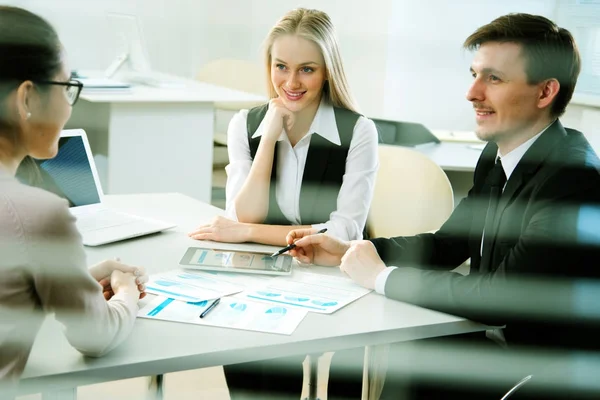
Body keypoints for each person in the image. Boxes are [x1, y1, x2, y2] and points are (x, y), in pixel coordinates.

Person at [288, 13, 600, 399]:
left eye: (494, 78)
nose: (472, 93)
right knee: (362, 346)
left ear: (545, 92)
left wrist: (382, 277)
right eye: (474, 74)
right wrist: (350, 252)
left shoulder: (573, 178)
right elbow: (447, 243)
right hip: (487, 341)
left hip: (539, 371)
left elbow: (501, 297)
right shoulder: (498, 155)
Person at [0, 6, 148, 398]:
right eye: (67, 88)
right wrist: (128, 291)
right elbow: (96, 336)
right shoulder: (38, 213)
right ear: (27, 97)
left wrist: (80, 274)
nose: (69, 104)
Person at [188, 7, 379, 246]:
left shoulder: (358, 131)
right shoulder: (244, 125)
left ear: (328, 71)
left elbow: (344, 232)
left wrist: (250, 232)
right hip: (263, 261)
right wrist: (268, 139)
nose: (291, 82)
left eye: (307, 69)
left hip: (332, 270)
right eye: (281, 66)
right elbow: (243, 216)